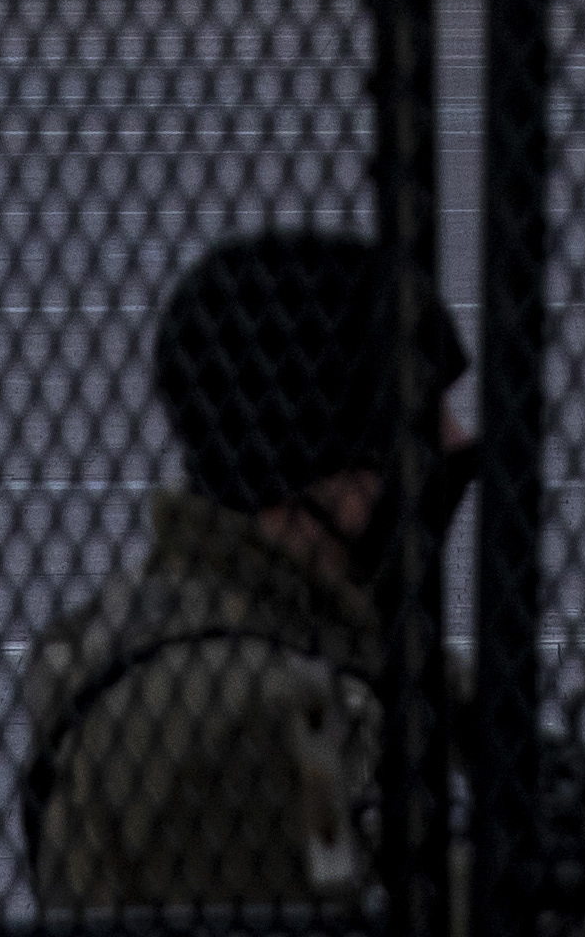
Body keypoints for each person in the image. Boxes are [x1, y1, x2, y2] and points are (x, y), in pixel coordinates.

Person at [23, 229, 466, 909]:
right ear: (331, 480)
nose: (457, 441)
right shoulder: (259, 713)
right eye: (423, 417)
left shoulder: (240, 634)